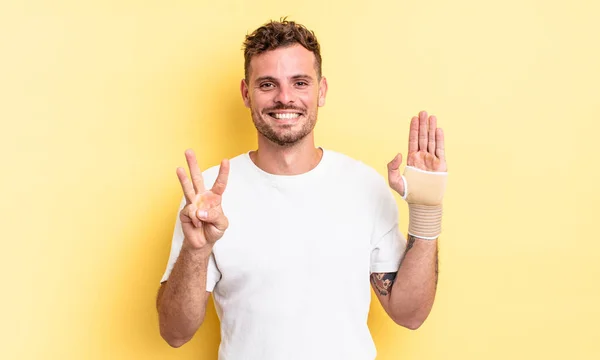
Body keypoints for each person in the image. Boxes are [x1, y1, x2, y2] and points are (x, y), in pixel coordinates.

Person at [156, 18, 448, 360]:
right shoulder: (208, 197)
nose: (285, 98)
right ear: (246, 93)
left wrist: (426, 209)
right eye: (267, 84)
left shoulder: (364, 186)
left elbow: (409, 314)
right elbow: (175, 333)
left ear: (321, 91)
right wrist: (196, 251)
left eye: (299, 82)